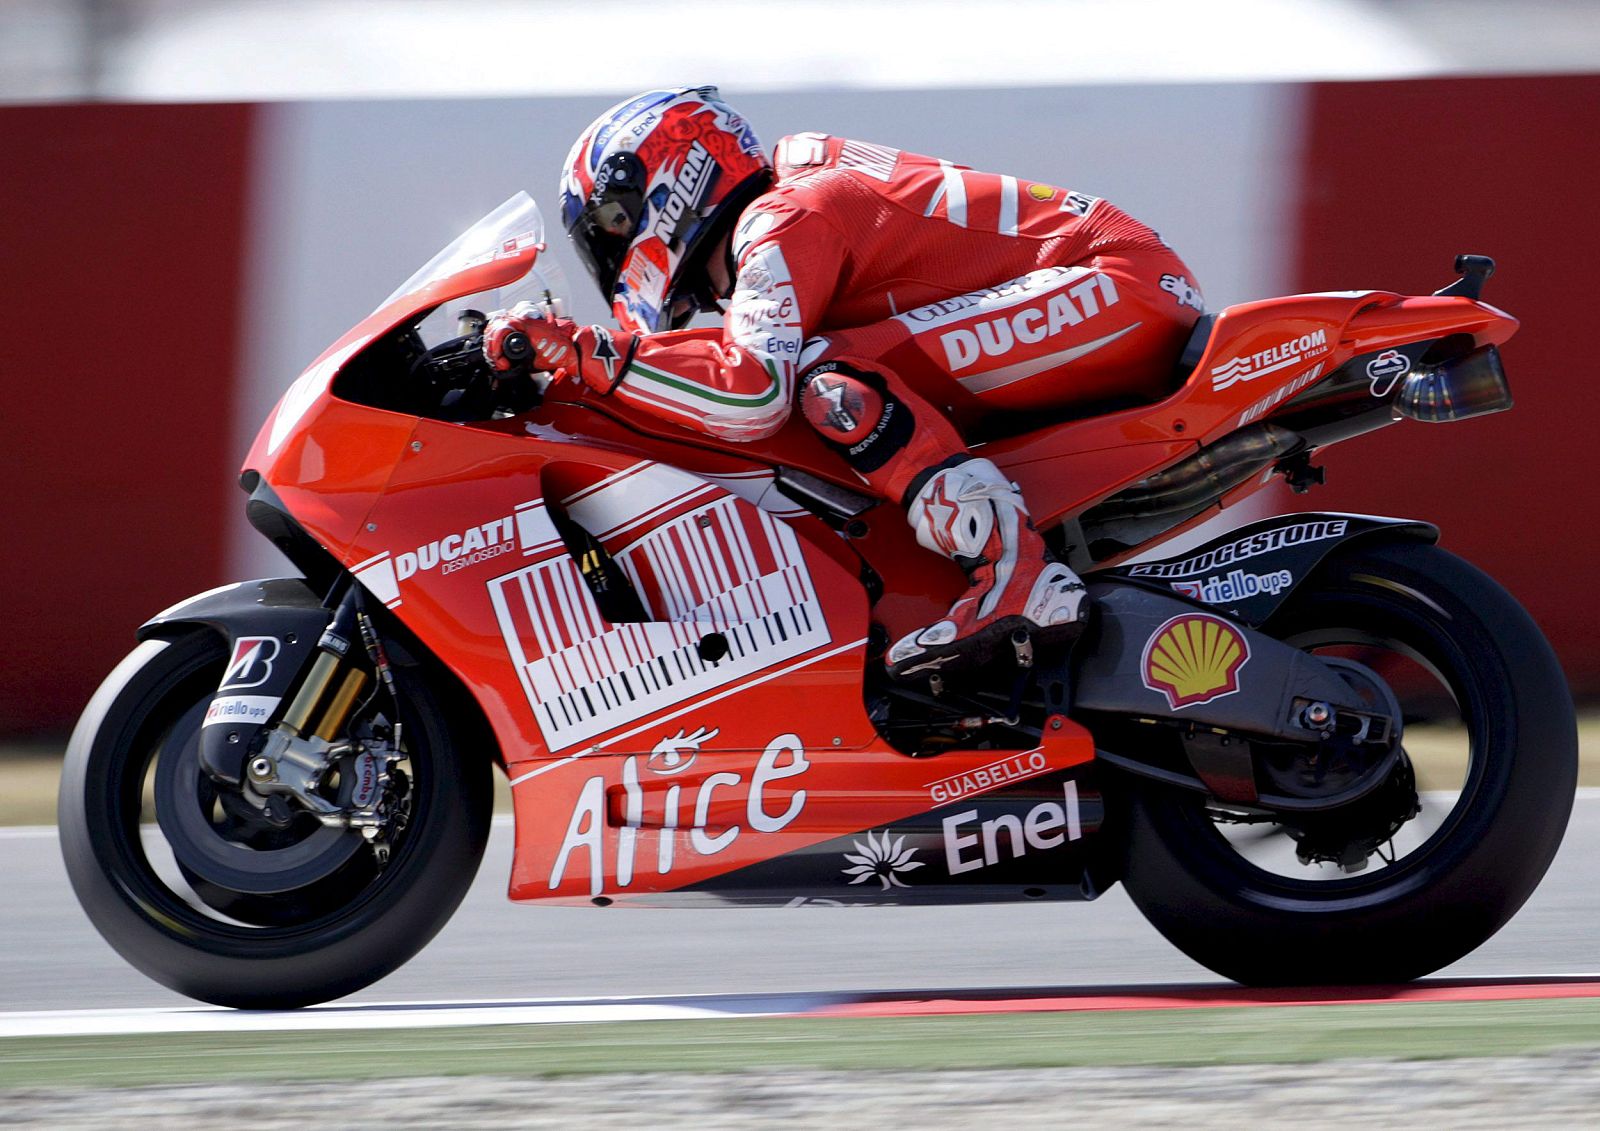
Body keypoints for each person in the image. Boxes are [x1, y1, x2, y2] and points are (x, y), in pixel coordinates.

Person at [484, 86, 1204, 679]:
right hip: (1103, 282)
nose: (617, 258)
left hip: (1115, 284)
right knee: (818, 368)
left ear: (671, 181)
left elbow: (752, 392)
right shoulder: (784, 206)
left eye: (616, 223)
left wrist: (585, 353)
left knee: (826, 380)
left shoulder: (780, 216)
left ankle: (1017, 575)